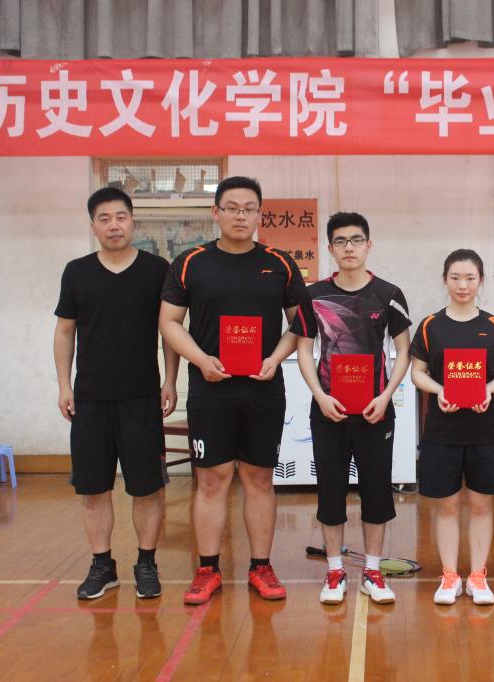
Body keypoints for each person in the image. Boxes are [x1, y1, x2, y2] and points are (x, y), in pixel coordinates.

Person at [159, 176, 312, 605]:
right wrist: (200, 360)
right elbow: (169, 322)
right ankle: (207, 569)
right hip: (211, 390)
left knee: (259, 478)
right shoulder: (190, 262)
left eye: (249, 209)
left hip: (264, 389)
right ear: (216, 213)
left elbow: (301, 324)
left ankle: (261, 567)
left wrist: (275, 358)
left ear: (260, 214)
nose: (241, 216)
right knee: (211, 480)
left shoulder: (280, 264)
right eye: (232, 208)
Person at [54, 186, 180, 600]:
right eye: (104, 218)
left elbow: (169, 331)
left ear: (133, 221)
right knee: (94, 488)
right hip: (90, 399)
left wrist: (170, 380)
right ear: (93, 226)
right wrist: (64, 385)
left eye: (121, 217)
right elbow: (64, 331)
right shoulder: (76, 272)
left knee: (148, 488)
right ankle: (101, 565)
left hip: (141, 397)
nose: (114, 225)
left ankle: (146, 563)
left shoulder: (156, 269)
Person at [291, 212, 412, 605]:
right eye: (340, 241)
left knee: (376, 492)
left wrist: (386, 395)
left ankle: (372, 572)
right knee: (331, 492)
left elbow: (403, 350)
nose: (349, 247)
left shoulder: (389, 293)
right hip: (329, 410)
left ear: (368, 245)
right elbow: (304, 349)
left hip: (375, 409)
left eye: (356, 240)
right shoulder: (313, 295)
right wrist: (319, 396)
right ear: (330, 248)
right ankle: (334, 572)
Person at [409, 249, 494, 605]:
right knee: (448, 506)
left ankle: (478, 576)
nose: (462, 284)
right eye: (455, 277)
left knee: (482, 505)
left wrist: (487, 389)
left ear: (481, 281)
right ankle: (450, 575)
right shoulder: (430, 326)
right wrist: (440, 390)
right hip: (442, 431)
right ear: (445, 280)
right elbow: (417, 372)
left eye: (470, 278)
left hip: (484, 431)